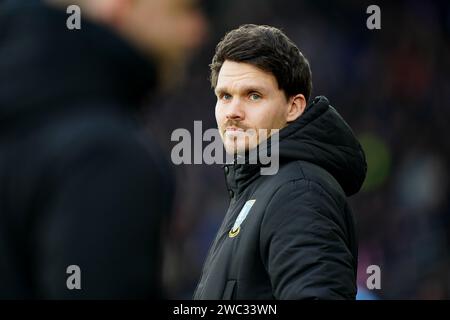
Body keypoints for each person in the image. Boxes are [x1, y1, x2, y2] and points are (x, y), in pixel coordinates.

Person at [0, 0, 206, 299]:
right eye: (183, 10)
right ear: (118, 5)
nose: (197, 31)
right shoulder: (103, 152)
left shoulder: (26, 118)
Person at [194, 24, 367, 300]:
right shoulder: (257, 188)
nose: (233, 112)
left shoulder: (300, 190)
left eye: (253, 95)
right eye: (225, 96)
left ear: (294, 107)